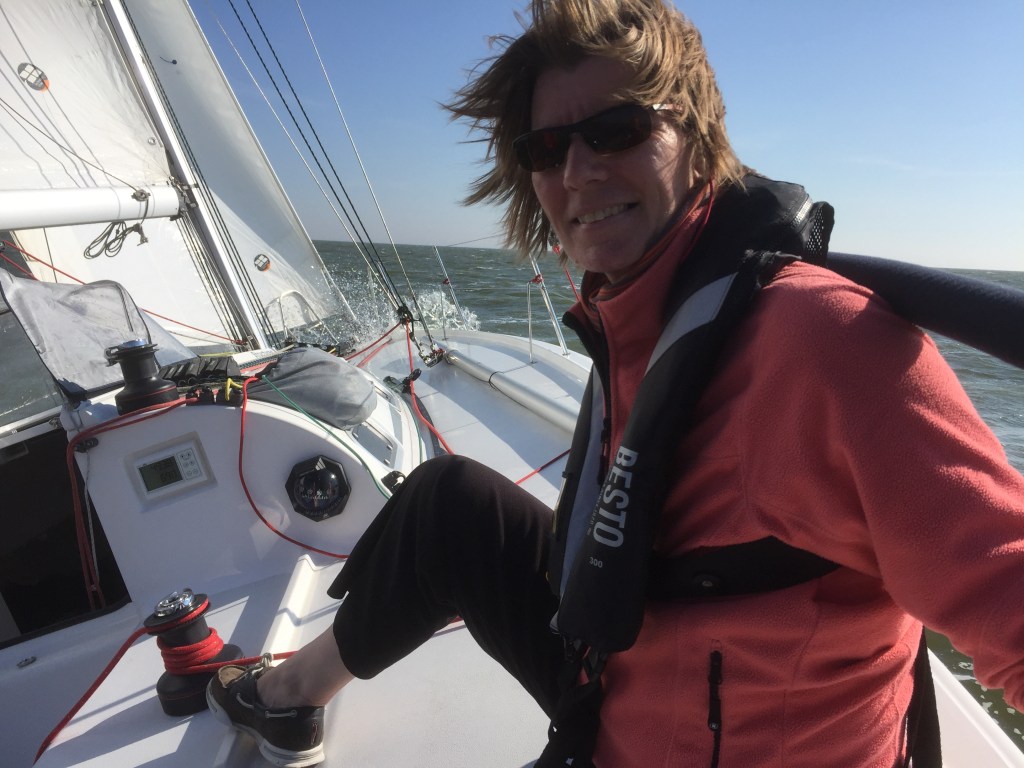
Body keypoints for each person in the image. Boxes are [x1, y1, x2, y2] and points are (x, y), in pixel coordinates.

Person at [206, 1, 1024, 766]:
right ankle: (287, 696)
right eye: (547, 149)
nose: (578, 171)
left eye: (618, 131)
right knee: (446, 503)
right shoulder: (637, 318)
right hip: (616, 682)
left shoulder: (820, 342)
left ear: (696, 138)